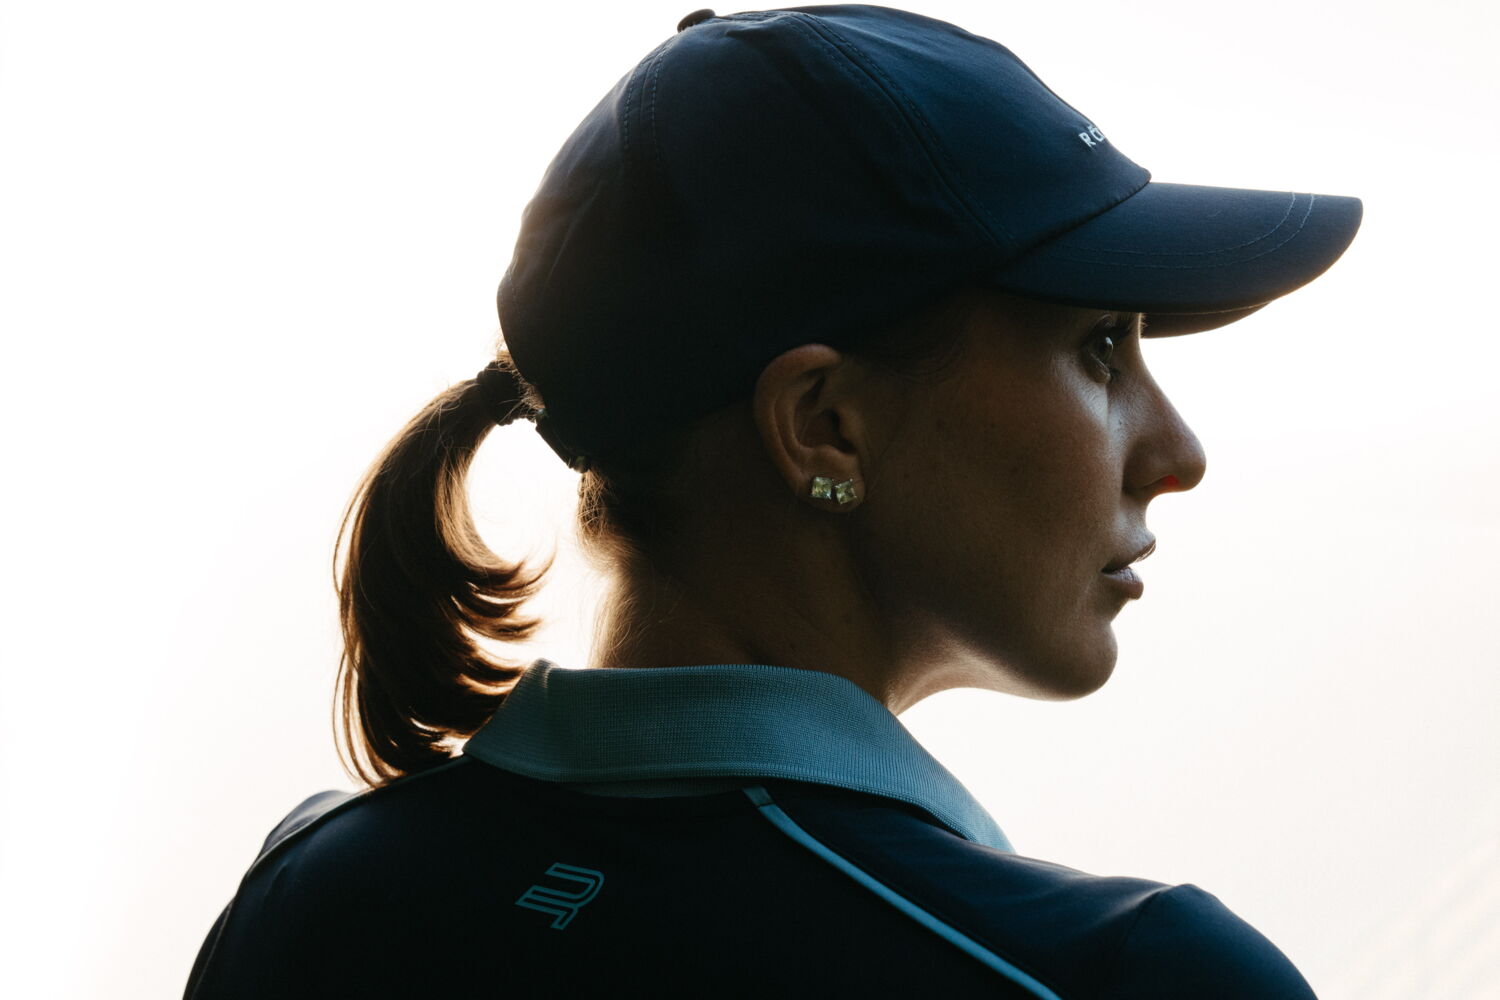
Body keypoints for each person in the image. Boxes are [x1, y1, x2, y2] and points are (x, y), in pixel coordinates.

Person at [183, 5, 1361, 997]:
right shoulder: (1125, 978)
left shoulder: (306, 905)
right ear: (824, 422)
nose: (1179, 450)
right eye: (1102, 346)